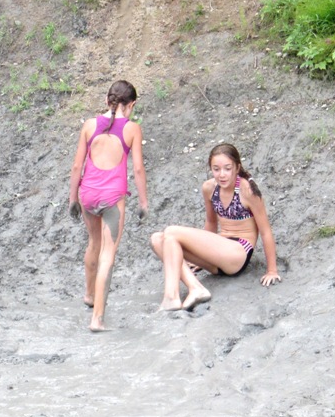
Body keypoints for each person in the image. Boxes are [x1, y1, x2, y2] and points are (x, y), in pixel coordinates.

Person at [151, 143, 280, 311]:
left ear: (237, 167)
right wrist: (201, 255)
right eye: (216, 169)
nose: (222, 174)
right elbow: (211, 223)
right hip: (218, 252)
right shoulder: (209, 188)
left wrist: (272, 270)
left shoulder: (247, 191)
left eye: (227, 168)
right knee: (157, 239)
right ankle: (195, 287)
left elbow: (265, 231)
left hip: (238, 253)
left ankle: (171, 297)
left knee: (170, 232)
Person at [67, 80, 148, 332]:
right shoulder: (132, 129)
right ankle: (97, 319)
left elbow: (77, 166)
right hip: (113, 198)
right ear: (132, 104)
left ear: (107, 100)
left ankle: (89, 295)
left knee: (94, 243)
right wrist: (143, 201)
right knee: (108, 254)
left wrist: (72, 199)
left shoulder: (89, 125)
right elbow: (137, 168)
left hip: (88, 195)